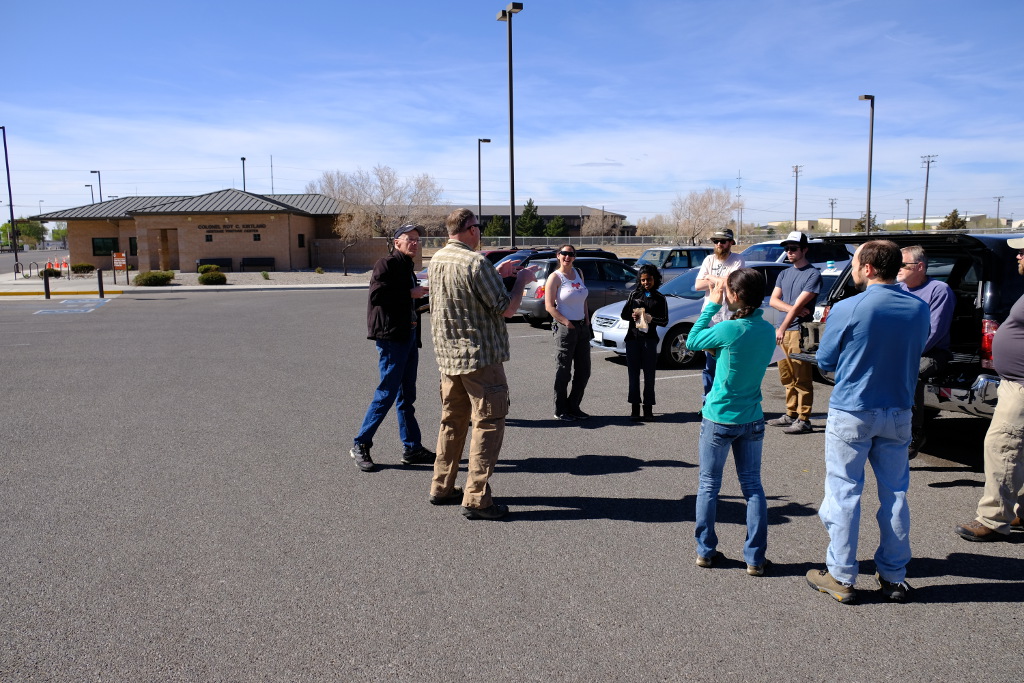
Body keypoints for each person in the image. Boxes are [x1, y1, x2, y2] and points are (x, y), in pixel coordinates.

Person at [806, 240, 929, 604]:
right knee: (895, 494)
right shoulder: (919, 308)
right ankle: (893, 576)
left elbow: (825, 360)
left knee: (844, 492)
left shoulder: (849, 307)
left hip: (853, 410)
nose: (855, 269)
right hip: (899, 410)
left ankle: (841, 576)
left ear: (870, 268)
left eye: (857, 263)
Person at [427, 208, 535, 520]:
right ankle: (476, 498)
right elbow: (507, 309)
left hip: (449, 360)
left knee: (452, 423)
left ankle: (442, 486)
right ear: (471, 230)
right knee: (488, 424)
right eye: (479, 227)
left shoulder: (438, 260)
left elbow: (464, 293)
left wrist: (498, 275)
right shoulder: (476, 262)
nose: (480, 232)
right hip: (480, 359)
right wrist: (521, 281)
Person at [686, 268, 776, 576]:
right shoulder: (765, 329)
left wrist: (712, 302)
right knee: (752, 487)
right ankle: (755, 557)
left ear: (734, 296)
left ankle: (705, 550)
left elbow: (693, 341)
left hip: (720, 417)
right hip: (751, 417)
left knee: (709, 485)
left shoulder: (729, 329)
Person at [349, 223, 435, 472]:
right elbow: (377, 296)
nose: (415, 243)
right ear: (397, 242)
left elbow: (408, 298)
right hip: (391, 339)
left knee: (406, 397)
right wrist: (410, 293)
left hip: (407, 336)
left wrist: (425, 299)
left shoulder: (408, 267)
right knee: (386, 393)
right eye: (410, 239)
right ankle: (360, 444)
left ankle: (412, 448)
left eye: (418, 240)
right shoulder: (386, 264)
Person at [955, 238, 1024, 541]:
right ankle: (1019, 510)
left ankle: (993, 519)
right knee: (1018, 451)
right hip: (1014, 383)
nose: (1018, 255)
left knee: (1002, 448)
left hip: (1021, 387)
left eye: (1023, 251)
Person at [896, 245, 956, 457]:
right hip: (902, 350)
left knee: (911, 372)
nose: (898, 268)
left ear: (920, 266)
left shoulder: (939, 290)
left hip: (932, 353)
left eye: (903, 264)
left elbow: (935, 331)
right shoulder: (899, 289)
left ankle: (915, 432)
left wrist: (903, 355)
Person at [767, 231, 823, 434]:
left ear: (804, 249)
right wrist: (795, 310)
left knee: (802, 378)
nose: (789, 252)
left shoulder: (813, 274)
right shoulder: (784, 273)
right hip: (782, 331)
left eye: (793, 248)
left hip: (798, 332)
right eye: (787, 249)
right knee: (786, 377)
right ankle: (790, 413)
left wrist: (782, 326)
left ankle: (804, 418)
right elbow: (772, 301)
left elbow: (800, 302)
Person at [693, 228, 745, 404]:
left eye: (722, 241)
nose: (719, 245)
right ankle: (708, 400)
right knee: (710, 364)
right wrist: (718, 280)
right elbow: (698, 285)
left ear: (731, 242)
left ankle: (725, 399)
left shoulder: (737, 260)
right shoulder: (709, 259)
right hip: (711, 321)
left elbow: (730, 283)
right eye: (716, 241)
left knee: (728, 363)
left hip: (729, 318)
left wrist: (711, 277)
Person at [544, 244, 592, 421]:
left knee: (584, 370)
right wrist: (566, 322)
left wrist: (587, 320)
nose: (567, 257)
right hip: (565, 328)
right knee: (563, 371)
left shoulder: (579, 273)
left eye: (571, 254)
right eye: (564, 254)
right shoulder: (555, 277)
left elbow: (583, 299)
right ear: (558, 256)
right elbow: (549, 306)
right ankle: (560, 409)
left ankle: (574, 406)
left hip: (582, 327)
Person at [620, 264, 668, 421]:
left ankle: (648, 408)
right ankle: (635, 408)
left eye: (649, 279)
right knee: (633, 374)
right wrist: (632, 316)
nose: (646, 283)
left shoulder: (660, 298)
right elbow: (624, 314)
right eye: (643, 280)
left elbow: (665, 321)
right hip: (633, 339)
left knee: (649, 375)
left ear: (655, 279)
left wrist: (651, 318)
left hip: (650, 340)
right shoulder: (634, 294)